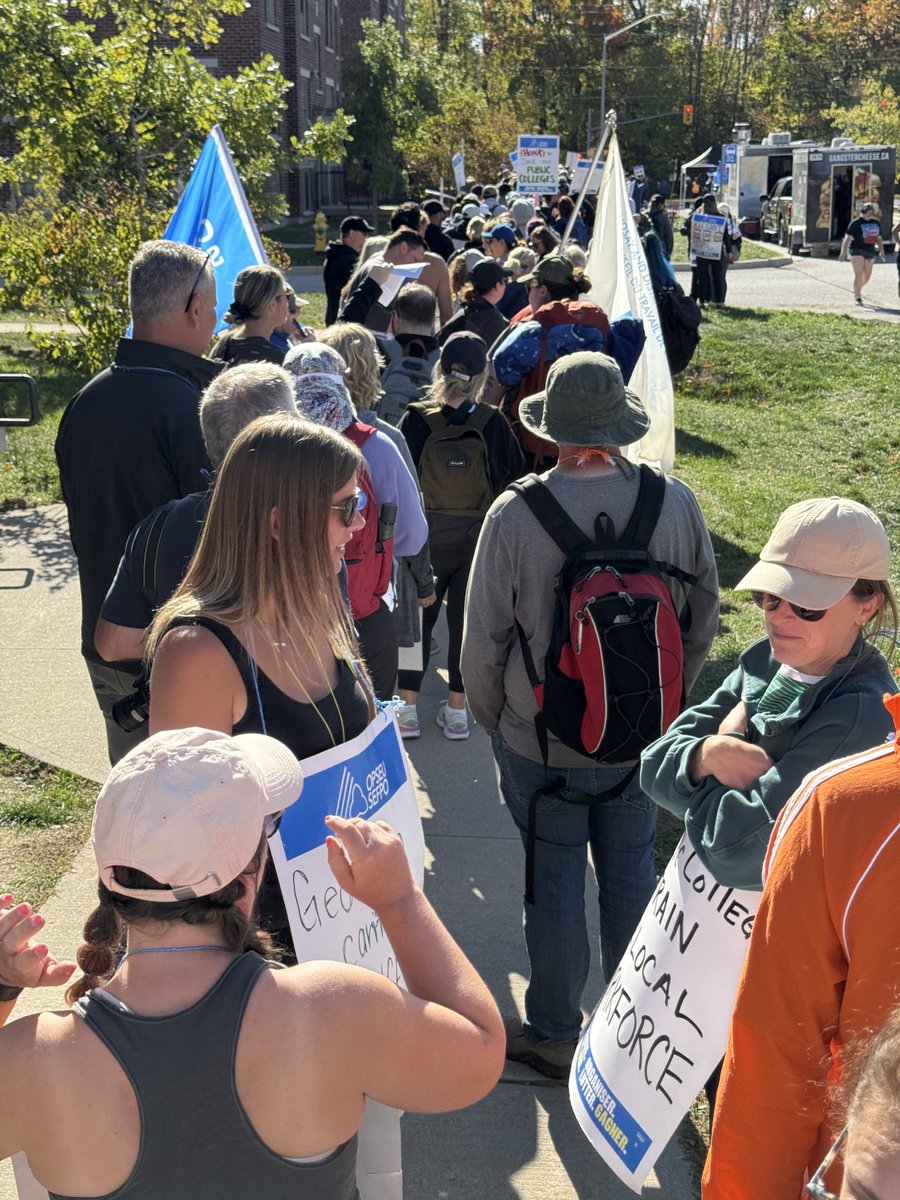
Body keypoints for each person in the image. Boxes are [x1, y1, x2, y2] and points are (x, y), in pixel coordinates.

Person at [0, 727, 505, 1197]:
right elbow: (480, 1052)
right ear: (247, 877)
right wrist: (398, 899)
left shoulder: (34, 1058)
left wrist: (3, 990)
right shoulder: (330, 1008)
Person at [461, 351, 719, 1079]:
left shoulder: (516, 513)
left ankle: (552, 1029)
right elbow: (701, 622)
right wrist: (662, 705)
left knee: (553, 883)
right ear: (619, 426)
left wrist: (497, 720)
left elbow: (482, 643)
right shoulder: (675, 503)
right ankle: (637, 1027)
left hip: (540, 742)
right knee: (632, 874)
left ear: (551, 431)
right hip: (642, 741)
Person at [146, 414, 373, 955]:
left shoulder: (317, 605)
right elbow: (185, 845)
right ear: (278, 523)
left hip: (348, 922)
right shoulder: (197, 652)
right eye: (347, 509)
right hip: (259, 947)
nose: (359, 524)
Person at [640, 495, 898, 890]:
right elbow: (651, 764)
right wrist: (711, 753)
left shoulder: (859, 716)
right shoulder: (770, 660)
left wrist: (713, 750)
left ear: (867, 607)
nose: (779, 616)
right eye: (770, 596)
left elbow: (735, 849)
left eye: (808, 606)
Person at [703, 691, 900, 1199]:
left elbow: (774, 1055)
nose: (781, 616)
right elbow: (777, 1050)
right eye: (770, 602)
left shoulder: (847, 808)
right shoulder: (847, 809)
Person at [55, 239, 220, 766]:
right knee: (188, 825)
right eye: (212, 307)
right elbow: (216, 535)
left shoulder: (85, 400)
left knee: (136, 813)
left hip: (106, 640)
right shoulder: (191, 407)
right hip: (178, 654)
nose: (215, 319)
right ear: (194, 308)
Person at [95, 363, 300, 668]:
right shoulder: (310, 524)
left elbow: (112, 643)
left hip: (185, 706)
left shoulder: (161, 524)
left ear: (208, 439)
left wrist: (193, 639)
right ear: (286, 431)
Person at [396, 333, 525, 741]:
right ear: (482, 376)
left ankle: (407, 710)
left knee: (416, 624)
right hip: (476, 541)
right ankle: (456, 711)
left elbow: (400, 482)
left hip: (424, 542)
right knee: (466, 623)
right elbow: (513, 481)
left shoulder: (416, 419)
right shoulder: (493, 423)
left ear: (439, 368)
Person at [284, 343, 428, 701]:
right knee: (371, 720)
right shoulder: (378, 445)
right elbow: (412, 535)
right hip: (367, 609)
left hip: (291, 612)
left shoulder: (274, 450)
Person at [337, 229, 428, 331]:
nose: (414, 266)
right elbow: (372, 316)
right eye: (415, 260)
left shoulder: (378, 261)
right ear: (403, 247)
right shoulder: (380, 270)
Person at [211, 265, 289, 366]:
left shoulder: (224, 344)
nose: (288, 301)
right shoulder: (274, 358)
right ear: (273, 304)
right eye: (287, 294)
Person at [437, 256, 510, 348]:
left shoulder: (468, 309)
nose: (506, 285)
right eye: (504, 281)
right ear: (497, 285)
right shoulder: (492, 320)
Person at [323, 215, 375, 325]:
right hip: (345, 320)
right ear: (352, 233)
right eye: (364, 234)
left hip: (333, 317)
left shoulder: (334, 254)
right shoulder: (349, 261)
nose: (366, 238)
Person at [839, 201, 885, 305]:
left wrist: (881, 251)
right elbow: (847, 238)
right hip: (856, 250)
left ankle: (857, 288)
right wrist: (843, 252)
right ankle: (858, 297)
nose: (869, 216)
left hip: (870, 250)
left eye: (871, 214)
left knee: (867, 277)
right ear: (862, 213)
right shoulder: (856, 223)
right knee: (858, 274)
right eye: (867, 214)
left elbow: (879, 238)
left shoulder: (876, 223)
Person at [648, 193, 674, 259]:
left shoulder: (645, 215)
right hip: (661, 247)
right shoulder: (663, 217)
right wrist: (669, 252)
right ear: (660, 204)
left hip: (647, 247)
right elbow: (669, 235)